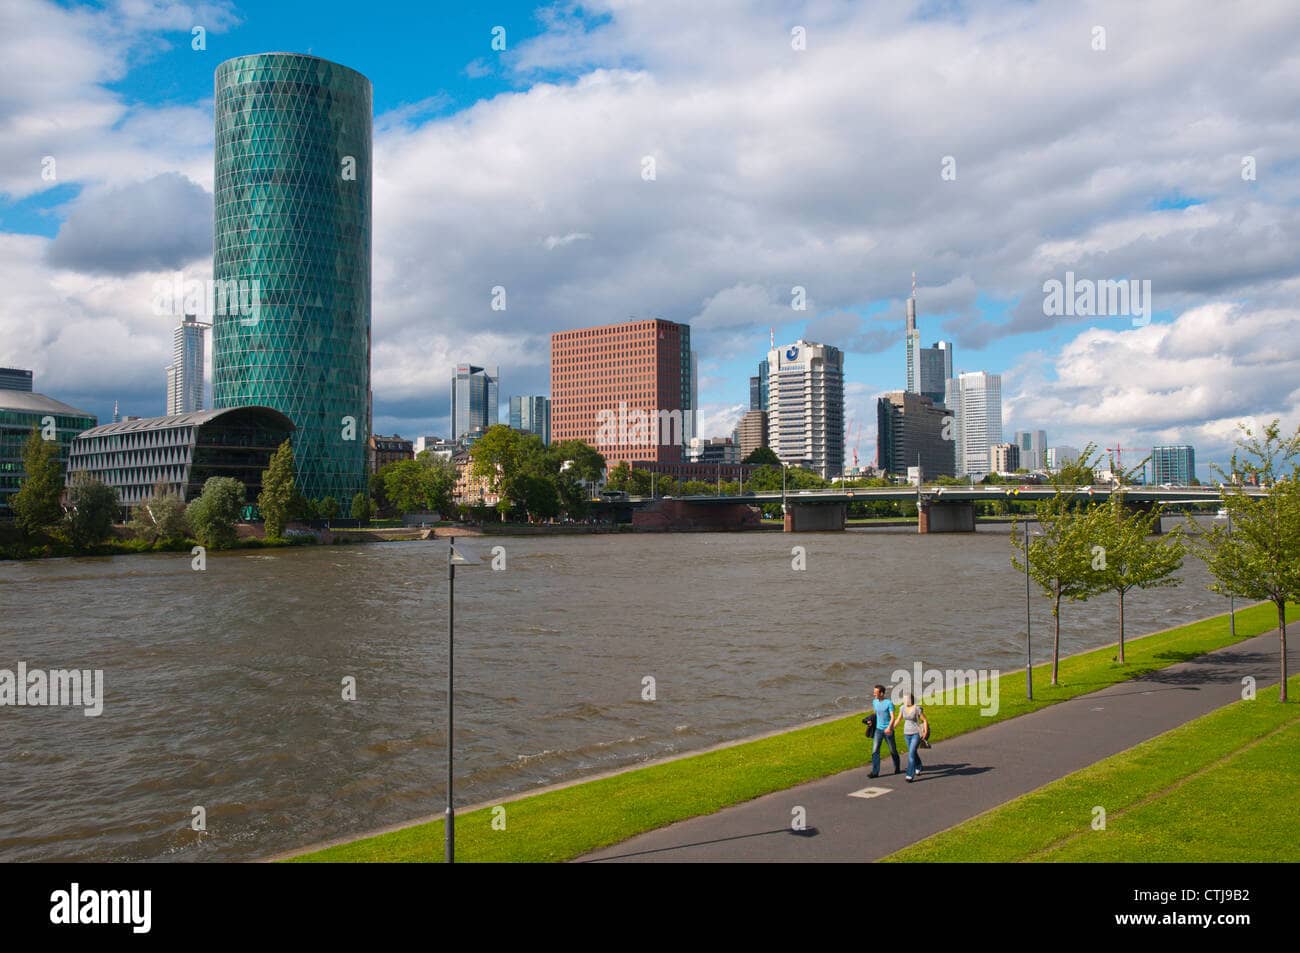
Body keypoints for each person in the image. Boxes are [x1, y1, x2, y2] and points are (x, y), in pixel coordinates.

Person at [891, 693, 930, 782]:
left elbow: (924, 720)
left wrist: (925, 731)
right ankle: (919, 766)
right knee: (913, 752)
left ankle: (909, 775)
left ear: (911, 699)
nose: (904, 700)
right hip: (906, 733)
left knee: (911, 754)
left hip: (916, 733)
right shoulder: (902, 708)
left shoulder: (917, 708)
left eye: (906, 699)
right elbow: (899, 719)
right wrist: (891, 728)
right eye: (904, 699)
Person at [868, 684, 900, 777]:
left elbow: (893, 717)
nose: (874, 694)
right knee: (875, 751)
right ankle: (875, 772)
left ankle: (897, 767)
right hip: (878, 730)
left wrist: (889, 728)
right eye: (874, 692)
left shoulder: (889, 703)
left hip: (888, 730)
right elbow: (875, 714)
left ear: (881, 693)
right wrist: (871, 721)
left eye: (875, 692)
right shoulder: (874, 702)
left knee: (892, 750)